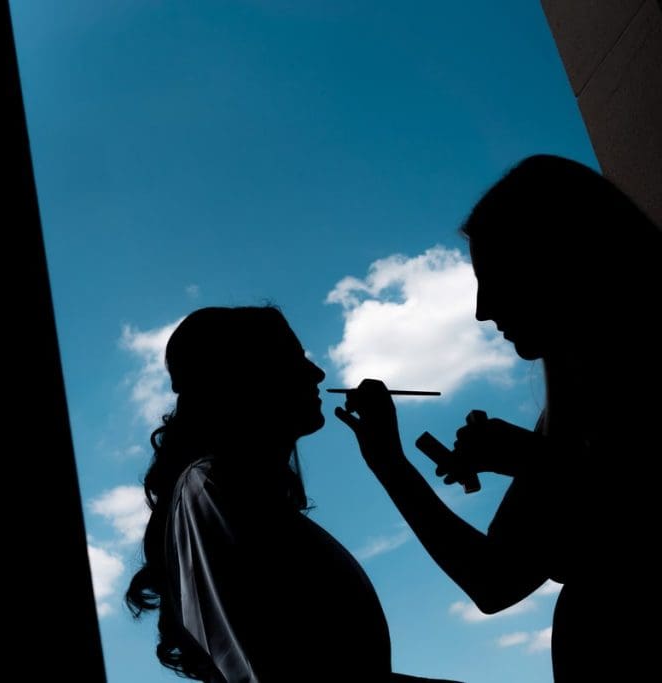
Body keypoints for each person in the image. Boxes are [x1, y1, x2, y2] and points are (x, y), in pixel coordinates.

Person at [335, 154, 662, 681]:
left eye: (498, 278)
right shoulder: (566, 423)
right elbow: (493, 581)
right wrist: (389, 463)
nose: (483, 309)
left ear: (566, 265)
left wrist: (538, 462)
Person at [125, 305, 462, 682]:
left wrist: (387, 459)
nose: (317, 373)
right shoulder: (212, 487)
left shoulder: (225, 496)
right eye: (293, 358)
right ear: (242, 376)